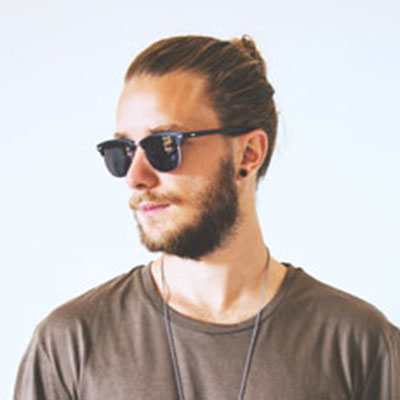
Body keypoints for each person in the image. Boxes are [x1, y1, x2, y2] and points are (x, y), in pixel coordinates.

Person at [15, 35, 399, 400]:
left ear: (248, 154)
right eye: (123, 152)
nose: (136, 177)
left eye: (165, 146)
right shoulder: (70, 345)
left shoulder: (359, 344)